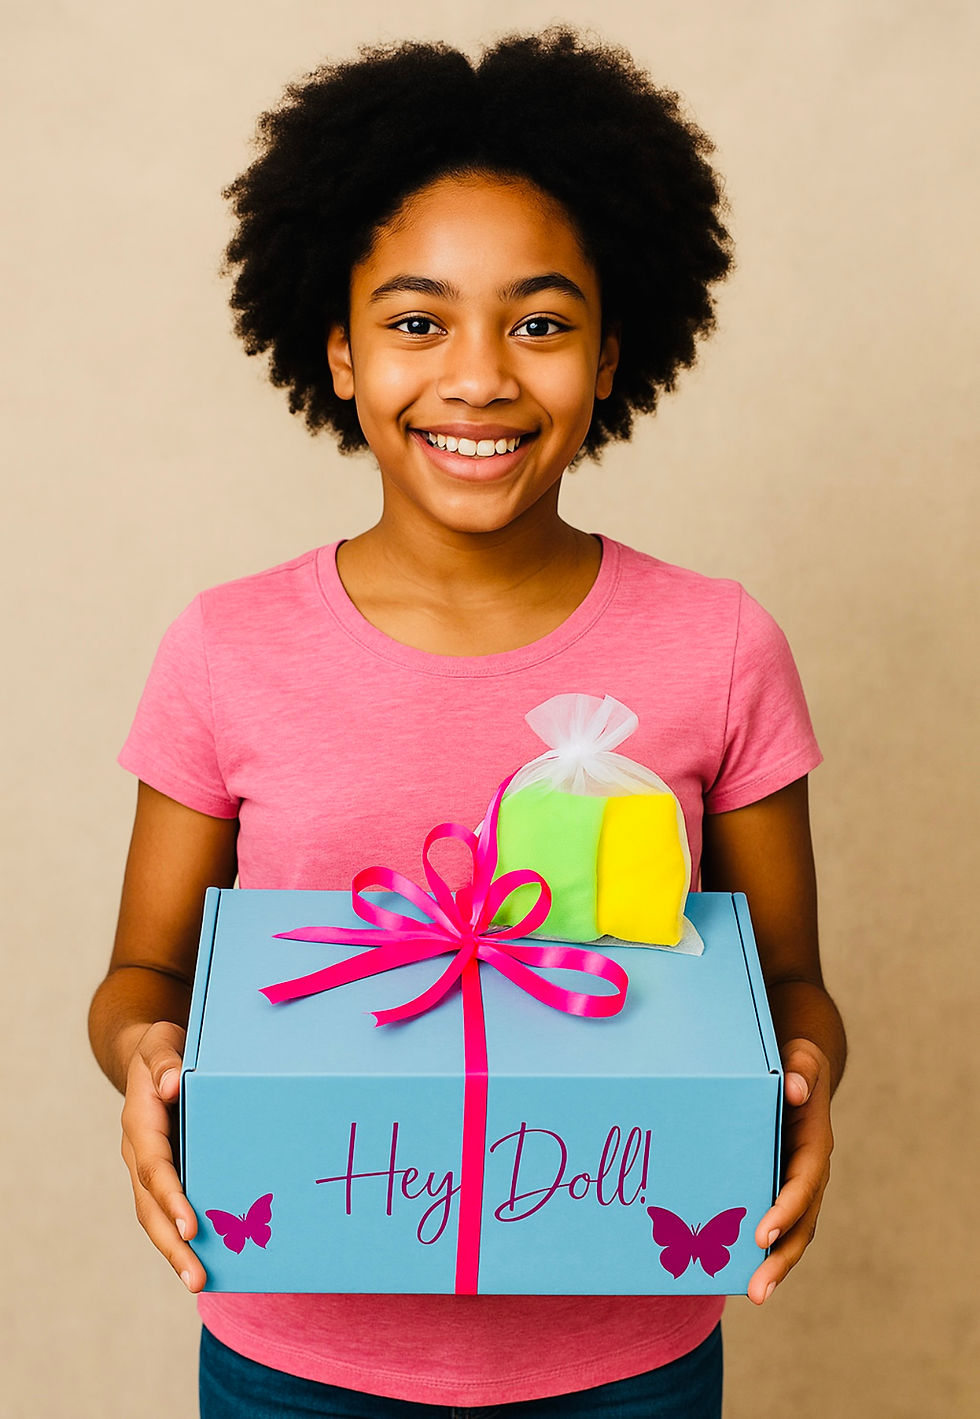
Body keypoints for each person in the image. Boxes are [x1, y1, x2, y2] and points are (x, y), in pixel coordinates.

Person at [89, 26, 846, 1419]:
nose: (482, 377)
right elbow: (143, 976)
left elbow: (785, 987)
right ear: (337, 347)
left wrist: (798, 1089)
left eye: (541, 323)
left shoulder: (721, 647)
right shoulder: (225, 647)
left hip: (626, 1358)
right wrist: (147, 1061)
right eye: (418, 321)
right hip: (294, 1352)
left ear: (616, 352)